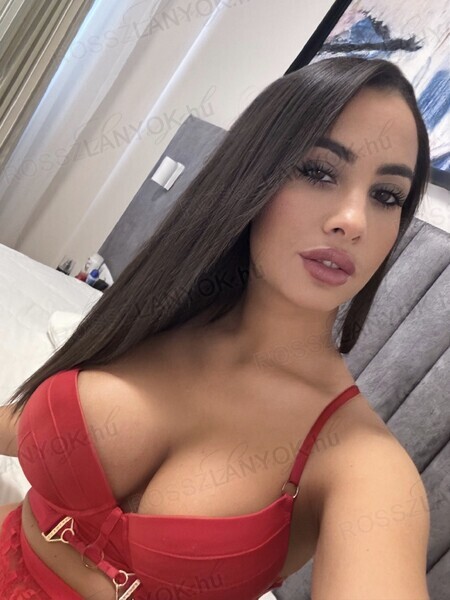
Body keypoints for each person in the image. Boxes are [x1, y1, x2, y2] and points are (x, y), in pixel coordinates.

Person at [0, 56, 431, 599]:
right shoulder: (153, 315)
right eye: (318, 171)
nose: (353, 220)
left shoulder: (361, 463)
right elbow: (22, 428)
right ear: (252, 174)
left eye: (386, 196)